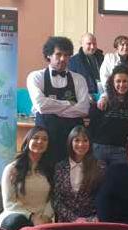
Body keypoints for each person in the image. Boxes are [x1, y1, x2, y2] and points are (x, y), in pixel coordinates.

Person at [27, 36, 90, 164]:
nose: (63, 59)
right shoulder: (36, 77)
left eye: (66, 55)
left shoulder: (79, 79)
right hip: (45, 139)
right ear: (49, 55)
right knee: (45, 173)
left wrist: (53, 108)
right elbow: (41, 106)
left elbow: (83, 109)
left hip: (72, 140)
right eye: (58, 54)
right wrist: (69, 104)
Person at [0, 126, 54, 230]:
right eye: (36, 138)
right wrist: (31, 217)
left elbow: (52, 198)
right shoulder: (12, 169)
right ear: (28, 140)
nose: (40, 141)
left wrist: (46, 216)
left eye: (45, 139)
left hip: (42, 219)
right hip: (16, 216)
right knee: (17, 221)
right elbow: (9, 203)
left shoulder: (50, 170)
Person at [52, 126, 104, 222]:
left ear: (90, 143)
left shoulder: (100, 166)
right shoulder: (60, 167)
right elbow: (56, 200)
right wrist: (74, 219)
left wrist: (95, 218)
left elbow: (103, 197)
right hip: (66, 221)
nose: (81, 144)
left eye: (85, 140)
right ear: (70, 142)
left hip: (91, 221)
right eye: (77, 140)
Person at [90, 65, 128, 166]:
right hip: (100, 148)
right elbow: (92, 125)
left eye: (125, 81)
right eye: (118, 81)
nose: (121, 84)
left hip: (120, 150)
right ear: (112, 83)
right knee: (98, 180)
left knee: (119, 180)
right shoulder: (104, 102)